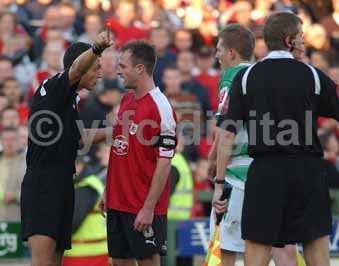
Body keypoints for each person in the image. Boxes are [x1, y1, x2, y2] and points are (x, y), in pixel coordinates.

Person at [215, 12, 339, 266]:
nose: (304, 42)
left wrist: (219, 180)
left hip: (265, 172)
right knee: (315, 243)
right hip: (307, 171)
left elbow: (227, 132)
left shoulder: (247, 77)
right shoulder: (312, 75)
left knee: (258, 246)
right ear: (288, 40)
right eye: (301, 37)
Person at [20, 30, 113, 266]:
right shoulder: (53, 88)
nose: (100, 74)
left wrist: (118, 130)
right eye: (96, 68)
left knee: (57, 262)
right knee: (43, 262)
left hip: (62, 183)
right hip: (43, 185)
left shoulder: (69, 100)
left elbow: (80, 138)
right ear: (79, 68)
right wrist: (96, 48)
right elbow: (75, 70)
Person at [101, 40, 177, 266]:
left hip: (142, 207)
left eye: (122, 66)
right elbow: (119, 149)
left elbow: (165, 163)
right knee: (119, 262)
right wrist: (108, 191)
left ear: (140, 69)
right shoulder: (126, 100)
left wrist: (149, 208)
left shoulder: (160, 107)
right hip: (117, 202)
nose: (118, 71)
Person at [208, 23, 255, 266]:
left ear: (231, 53)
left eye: (219, 50)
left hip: (236, 174)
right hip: (264, 171)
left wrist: (217, 175)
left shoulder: (230, 76)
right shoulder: (261, 74)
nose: (216, 55)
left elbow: (227, 129)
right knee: (259, 247)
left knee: (225, 246)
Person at [63, 155, 108, 266]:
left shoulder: (86, 187)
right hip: (93, 253)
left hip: (84, 256)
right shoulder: (87, 183)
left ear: (80, 165)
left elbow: (73, 221)